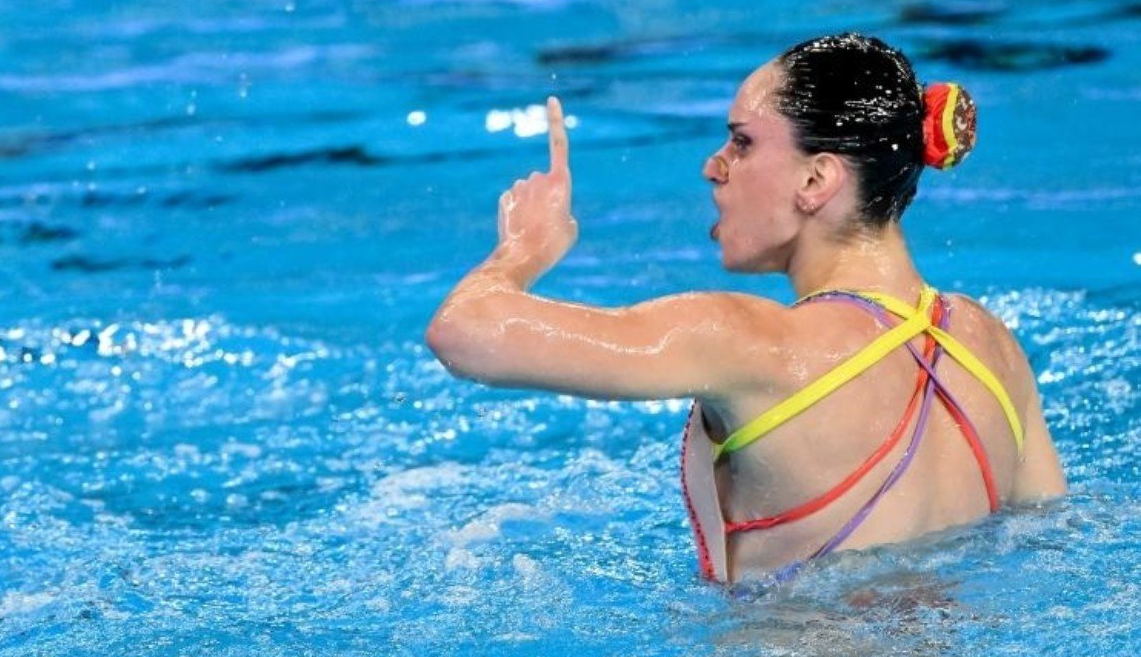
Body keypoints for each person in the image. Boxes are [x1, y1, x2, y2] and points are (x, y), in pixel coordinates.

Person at [426, 33, 1065, 585]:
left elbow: (464, 332)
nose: (713, 167)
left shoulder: (750, 342)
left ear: (816, 180)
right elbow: (1049, 541)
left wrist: (521, 251)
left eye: (742, 143)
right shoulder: (992, 346)